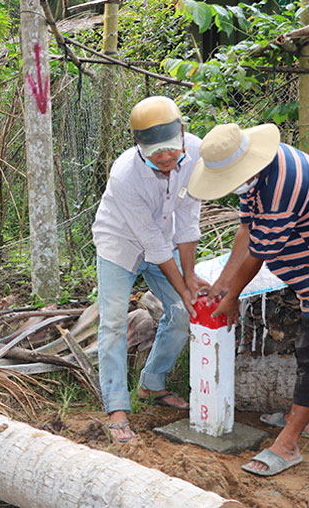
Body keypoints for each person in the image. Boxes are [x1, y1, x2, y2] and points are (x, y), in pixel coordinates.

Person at [187, 123, 309, 476]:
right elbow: (246, 229)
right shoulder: (255, 174)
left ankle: (287, 444)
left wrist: (233, 297)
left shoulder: (281, 185)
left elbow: (257, 253)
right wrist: (222, 286)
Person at [92, 96, 209, 443]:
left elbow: (187, 220)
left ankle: (152, 384)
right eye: (155, 151)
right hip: (120, 244)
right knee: (113, 323)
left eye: (171, 149)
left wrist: (189, 280)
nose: (165, 158)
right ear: (138, 145)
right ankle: (116, 409)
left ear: (183, 135)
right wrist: (185, 286)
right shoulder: (125, 174)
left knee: (181, 312)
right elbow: (153, 246)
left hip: (164, 239)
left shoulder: (196, 154)